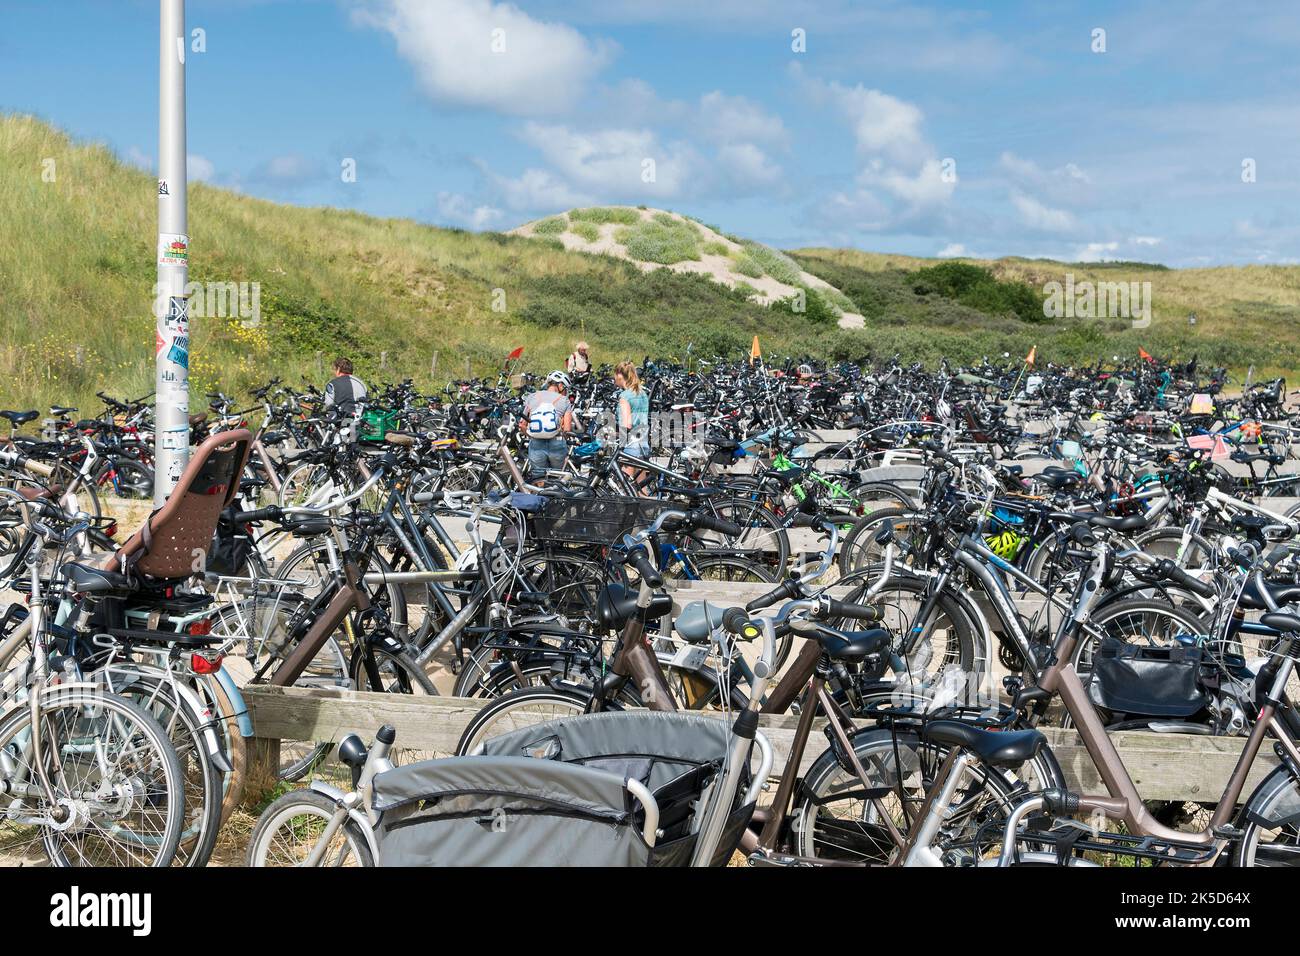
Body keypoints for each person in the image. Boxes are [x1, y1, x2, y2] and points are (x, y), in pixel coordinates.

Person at [521, 371, 573, 482]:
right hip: (557, 443)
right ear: (560, 385)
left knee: (539, 480)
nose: (565, 392)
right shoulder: (564, 401)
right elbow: (567, 429)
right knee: (557, 479)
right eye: (565, 389)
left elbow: (522, 424)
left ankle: (541, 497)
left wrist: (531, 435)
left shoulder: (532, 397)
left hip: (536, 444)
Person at [614, 360, 650, 489]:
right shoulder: (642, 393)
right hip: (643, 443)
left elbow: (627, 424)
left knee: (625, 488)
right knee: (641, 487)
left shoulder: (625, 396)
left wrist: (617, 438)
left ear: (619, 375)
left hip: (631, 444)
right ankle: (647, 509)